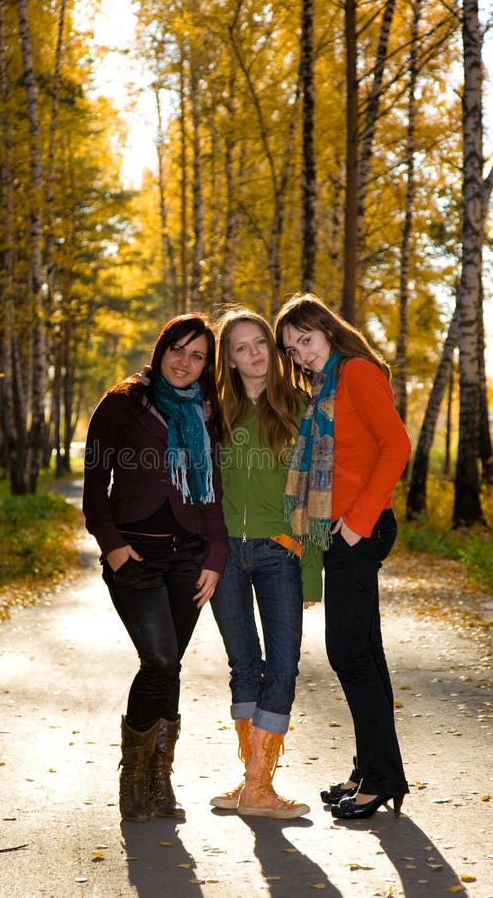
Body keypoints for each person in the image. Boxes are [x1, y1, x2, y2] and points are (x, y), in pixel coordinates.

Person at [82, 314, 229, 823]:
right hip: (136, 556)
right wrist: (113, 546)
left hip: (189, 556)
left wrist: (216, 556)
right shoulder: (125, 402)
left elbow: (210, 493)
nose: (185, 362)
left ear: (206, 365)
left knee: (171, 666)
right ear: (161, 347)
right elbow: (95, 482)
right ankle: (133, 777)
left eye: (197, 355)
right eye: (178, 349)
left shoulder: (208, 413)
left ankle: (159, 780)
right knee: (161, 661)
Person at [274, 293, 411, 820]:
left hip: (360, 526)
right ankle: (375, 770)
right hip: (342, 528)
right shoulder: (324, 386)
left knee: (349, 653)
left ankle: (378, 778)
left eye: (305, 340)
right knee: (363, 654)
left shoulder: (355, 371)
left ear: (328, 330)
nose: (301, 354)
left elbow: (395, 445)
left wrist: (356, 524)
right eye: (292, 348)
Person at [209, 308, 322, 819]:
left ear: (274, 352)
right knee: (243, 665)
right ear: (228, 359)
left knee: (282, 664)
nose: (253, 353)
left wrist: (311, 562)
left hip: (281, 549)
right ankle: (252, 785)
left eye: (260, 343)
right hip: (226, 552)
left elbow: (320, 488)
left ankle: (258, 785)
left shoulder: (301, 407)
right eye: (241, 346)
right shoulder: (216, 412)